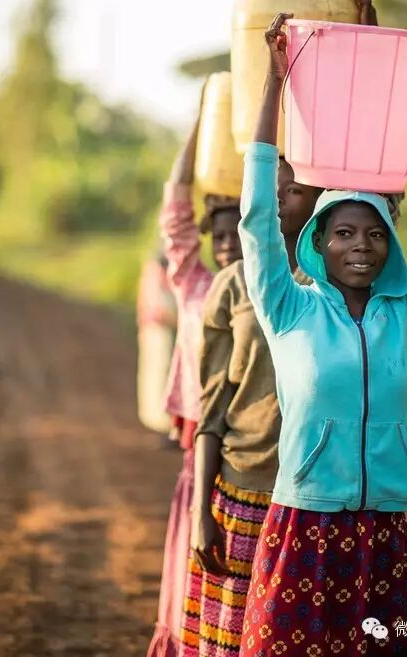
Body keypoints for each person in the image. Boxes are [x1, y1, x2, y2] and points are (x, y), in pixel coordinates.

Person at [237, 12, 407, 656]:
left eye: (375, 233)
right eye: (343, 232)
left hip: (381, 531)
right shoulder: (289, 307)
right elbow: (257, 219)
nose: (362, 246)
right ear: (318, 242)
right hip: (304, 521)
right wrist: (273, 83)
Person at [177, 156, 321, 657]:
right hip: (242, 494)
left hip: (313, 502)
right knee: (230, 643)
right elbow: (212, 410)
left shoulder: (335, 286)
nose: (279, 199)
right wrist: (202, 512)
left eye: (294, 190)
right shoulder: (232, 286)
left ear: (319, 197)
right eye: (269, 189)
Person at [148, 107, 243, 657]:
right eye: (221, 236)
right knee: (193, 563)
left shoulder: (268, 292)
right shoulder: (195, 285)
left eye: (238, 233)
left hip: (247, 454)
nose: (228, 244)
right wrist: (201, 124)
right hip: (198, 453)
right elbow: (176, 212)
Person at [136, 248, 177, 438]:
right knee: (155, 377)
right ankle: (159, 423)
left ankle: (168, 425)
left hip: (166, 333)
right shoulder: (152, 269)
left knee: (166, 376)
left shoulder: (174, 272)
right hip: (156, 333)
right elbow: (144, 304)